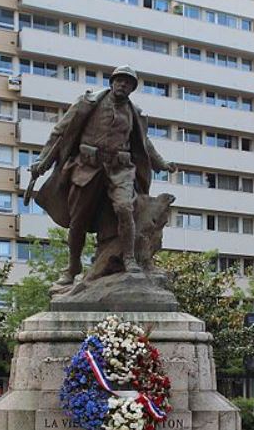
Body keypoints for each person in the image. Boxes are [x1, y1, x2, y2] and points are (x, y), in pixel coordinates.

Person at [29, 65, 177, 286]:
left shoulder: (134, 113)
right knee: (78, 218)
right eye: (119, 80)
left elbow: (144, 143)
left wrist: (162, 163)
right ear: (111, 82)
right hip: (87, 167)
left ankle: (128, 258)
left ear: (132, 88)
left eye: (128, 82)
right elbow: (59, 133)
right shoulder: (89, 103)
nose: (122, 85)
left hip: (120, 170)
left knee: (125, 208)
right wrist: (43, 160)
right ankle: (73, 266)